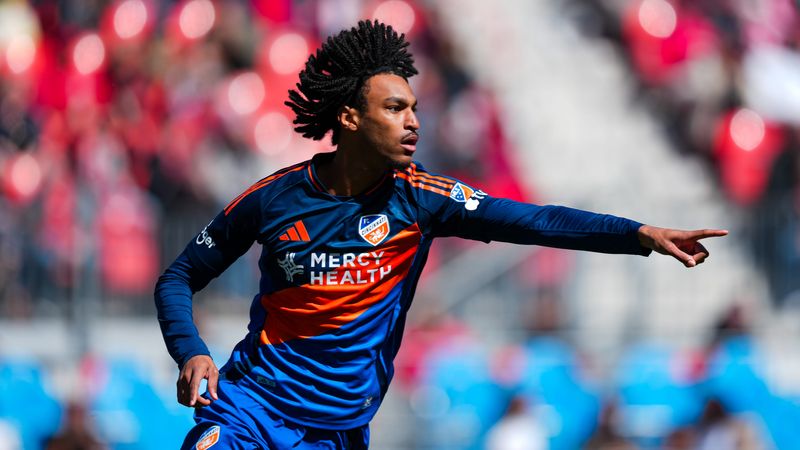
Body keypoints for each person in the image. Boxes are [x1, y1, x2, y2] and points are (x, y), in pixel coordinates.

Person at [154, 20, 728, 449]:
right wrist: (191, 352)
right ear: (350, 118)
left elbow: (536, 221)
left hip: (337, 432)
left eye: (415, 109)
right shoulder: (273, 198)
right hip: (248, 409)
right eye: (395, 108)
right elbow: (178, 277)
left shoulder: (422, 199)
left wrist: (639, 234)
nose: (413, 122)